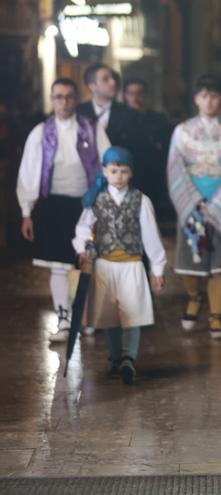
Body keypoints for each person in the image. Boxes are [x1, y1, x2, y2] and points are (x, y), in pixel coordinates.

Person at [16, 78, 110, 343]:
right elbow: (29, 172)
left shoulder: (93, 129)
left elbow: (107, 165)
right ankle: (64, 319)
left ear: (76, 99)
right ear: (52, 99)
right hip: (54, 205)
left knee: (87, 263)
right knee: (57, 266)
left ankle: (88, 317)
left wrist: (105, 202)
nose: (64, 102)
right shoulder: (40, 132)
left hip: (87, 205)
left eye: (69, 96)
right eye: (58, 97)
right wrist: (26, 211)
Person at [72, 146, 166, 384]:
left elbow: (150, 236)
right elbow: (83, 228)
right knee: (109, 315)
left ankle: (128, 358)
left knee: (132, 313)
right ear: (105, 171)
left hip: (132, 264)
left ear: (131, 173)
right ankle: (115, 357)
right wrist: (83, 248)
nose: (119, 176)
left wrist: (157, 268)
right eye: (114, 171)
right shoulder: (96, 200)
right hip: (105, 265)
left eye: (124, 171)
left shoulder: (141, 201)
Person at [167, 75, 221, 337]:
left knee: (219, 262)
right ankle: (193, 297)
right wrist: (192, 203)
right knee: (190, 258)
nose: (209, 101)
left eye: (214, 96)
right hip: (190, 203)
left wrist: (219, 204)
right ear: (196, 99)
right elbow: (175, 168)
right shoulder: (182, 131)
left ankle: (216, 313)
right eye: (203, 95)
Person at [76, 64, 141, 186]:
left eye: (112, 78)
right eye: (105, 79)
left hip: (120, 183)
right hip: (83, 183)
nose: (112, 82)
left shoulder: (130, 114)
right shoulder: (78, 113)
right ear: (92, 86)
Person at [123, 78, 173, 218]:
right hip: (128, 175)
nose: (135, 97)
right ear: (125, 95)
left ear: (145, 95)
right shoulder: (119, 120)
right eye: (131, 93)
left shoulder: (158, 119)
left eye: (139, 93)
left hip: (153, 176)